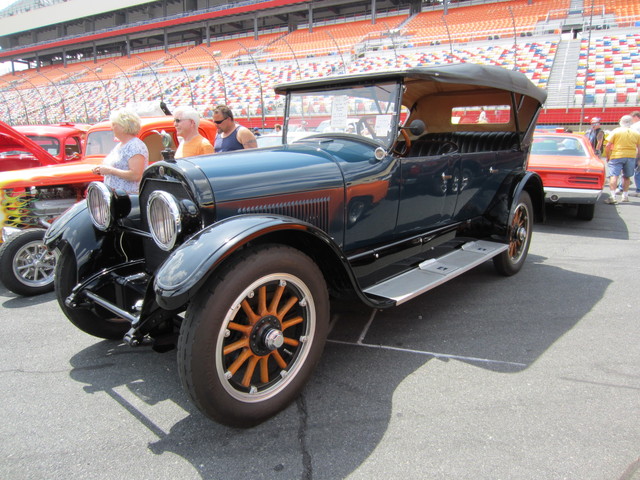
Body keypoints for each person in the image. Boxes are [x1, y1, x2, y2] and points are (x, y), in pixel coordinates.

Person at [92, 108, 148, 194]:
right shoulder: (121, 145)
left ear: (124, 125)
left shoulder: (135, 146)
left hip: (128, 197)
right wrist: (101, 169)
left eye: (114, 124)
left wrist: (110, 171)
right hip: (115, 196)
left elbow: (136, 175)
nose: (111, 128)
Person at [603, 114, 640, 204]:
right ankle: (625, 196)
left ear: (621, 122)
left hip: (617, 155)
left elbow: (608, 146)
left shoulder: (616, 131)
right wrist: (638, 158)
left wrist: (608, 156)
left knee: (614, 176)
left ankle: (613, 196)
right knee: (626, 176)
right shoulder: (636, 133)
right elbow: (639, 147)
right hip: (631, 156)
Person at [630, 111, 640, 197]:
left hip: (635, 151)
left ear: (636, 117)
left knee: (629, 168)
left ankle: (622, 187)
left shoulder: (634, 127)